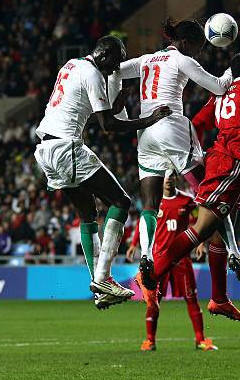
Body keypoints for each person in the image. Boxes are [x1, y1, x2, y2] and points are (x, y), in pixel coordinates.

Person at [136, 53, 240, 321]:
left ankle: (219, 298)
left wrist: (200, 150)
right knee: (202, 228)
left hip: (221, 161)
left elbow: (198, 122)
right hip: (229, 164)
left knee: (218, 228)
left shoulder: (221, 94)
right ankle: (152, 274)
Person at [34, 35, 172, 310]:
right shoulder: (93, 73)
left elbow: (107, 106)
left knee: (88, 215)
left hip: (45, 150)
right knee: (122, 202)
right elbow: (108, 125)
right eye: (115, 62)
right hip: (66, 147)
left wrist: (117, 97)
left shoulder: (71, 65)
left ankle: (99, 289)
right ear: (105, 54)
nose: (115, 68)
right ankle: (104, 279)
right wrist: (149, 119)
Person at [117, 18, 240, 299]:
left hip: (146, 133)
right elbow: (218, 87)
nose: (199, 53)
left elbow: (115, 71)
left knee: (149, 205)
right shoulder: (181, 59)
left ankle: (146, 256)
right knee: (212, 194)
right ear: (186, 43)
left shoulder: (147, 59)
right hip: (173, 128)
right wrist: (233, 70)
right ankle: (235, 252)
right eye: (198, 48)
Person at [127, 174, 216, 351]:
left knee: (191, 298)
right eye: (165, 176)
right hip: (158, 259)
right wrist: (134, 243)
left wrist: (200, 243)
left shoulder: (188, 200)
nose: (168, 179)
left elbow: (200, 220)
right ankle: (150, 340)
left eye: (172, 175)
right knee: (153, 300)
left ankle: (200, 340)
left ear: (176, 178)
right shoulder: (154, 200)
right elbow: (142, 223)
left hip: (182, 259)